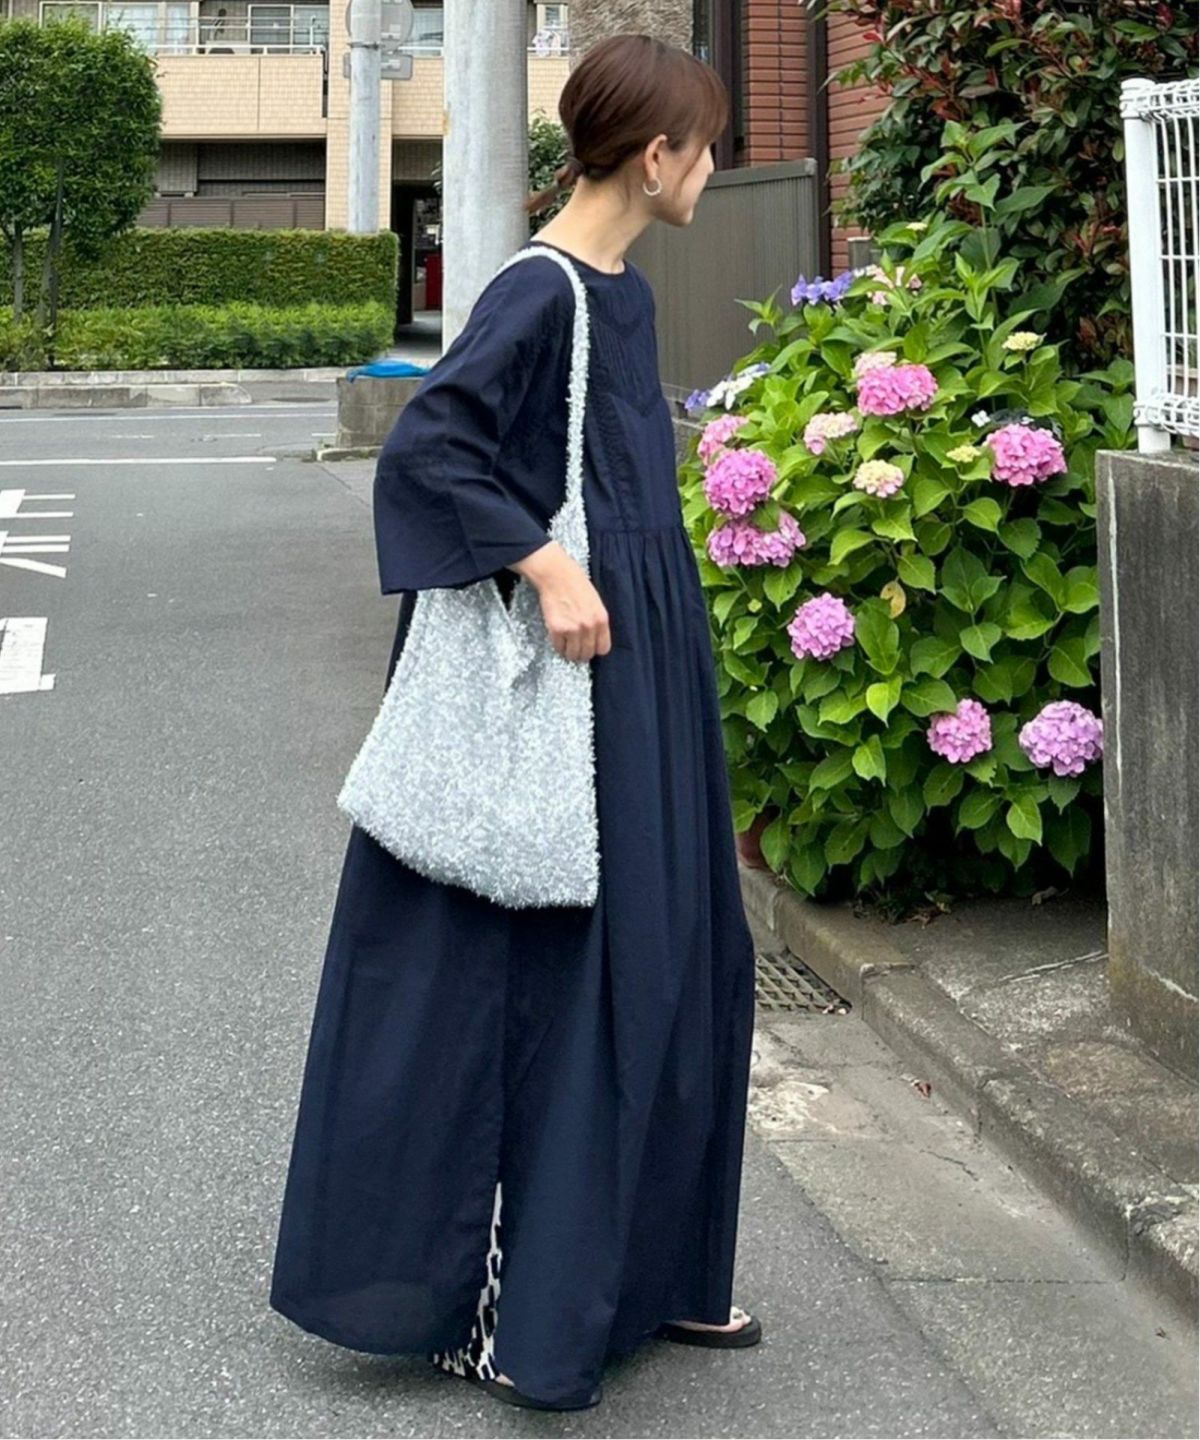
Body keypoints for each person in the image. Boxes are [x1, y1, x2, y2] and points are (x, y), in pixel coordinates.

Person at [268, 33, 760, 1414]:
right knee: (564, 980)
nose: (711, 171)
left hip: (646, 667)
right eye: (705, 148)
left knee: (682, 956)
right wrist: (545, 567)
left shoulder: (623, 293)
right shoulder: (539, 291)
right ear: (655, 157)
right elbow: (433, 452)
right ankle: (518, 1306)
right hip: (573, 687)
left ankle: (653, 1271)